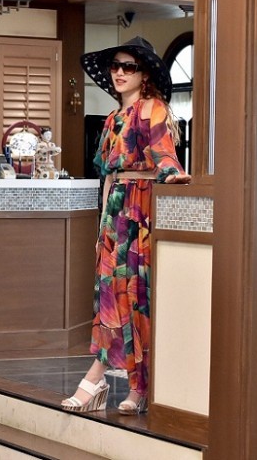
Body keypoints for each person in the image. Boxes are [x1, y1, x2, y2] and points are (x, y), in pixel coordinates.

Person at [61, 37, 191, 415]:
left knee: (136, 298)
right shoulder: (113, 118)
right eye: (115, 66)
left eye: (128, 67)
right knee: (111, 295)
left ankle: (121, 383)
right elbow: (108, 175)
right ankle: (126, 384)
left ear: (144, 74)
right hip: (115, 212)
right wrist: (102, 225)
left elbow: (164, 152)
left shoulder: (153, 108)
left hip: (141, 211)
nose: (119, 72)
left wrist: (172, 173)